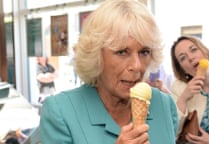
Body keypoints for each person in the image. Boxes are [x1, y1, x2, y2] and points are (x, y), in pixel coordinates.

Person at [39, 0, 178, 143]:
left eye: (144, 52)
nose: (136, 66)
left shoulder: (164, 104)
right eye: (122, 52)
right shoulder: (60, 111)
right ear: (96, 56)